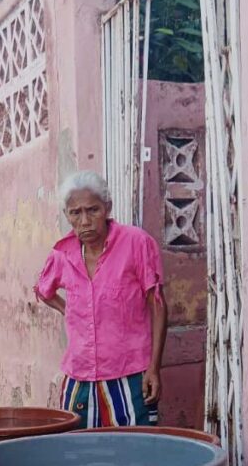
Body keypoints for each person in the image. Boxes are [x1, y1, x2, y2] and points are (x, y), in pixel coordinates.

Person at [35, 171, 167, 427]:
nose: (85, 221)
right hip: (79, 375)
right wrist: (70, 311)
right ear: (67, 216)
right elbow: (43, 290)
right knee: (79, 454)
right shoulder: (62, 253)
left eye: (92, 210)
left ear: (107, 208)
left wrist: (154, 367)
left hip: (129, 373)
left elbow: (158, 306)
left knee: (134, 453)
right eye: (75, 213)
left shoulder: (136, 243)